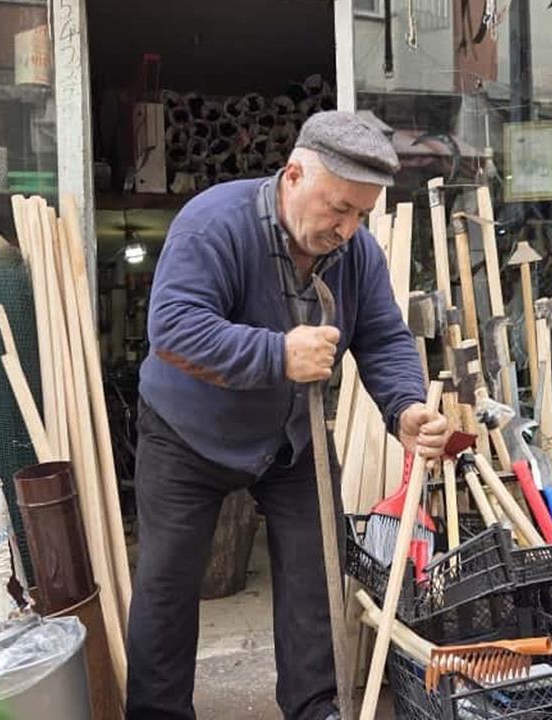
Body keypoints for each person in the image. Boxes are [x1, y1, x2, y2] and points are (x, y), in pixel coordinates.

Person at [127, 111, 449, 719]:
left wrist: (405, 407)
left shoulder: (355, 253)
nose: (348, 229)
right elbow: (173, 328)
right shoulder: (214, 224)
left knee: (316, 572)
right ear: (294, 175)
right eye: (339, 208)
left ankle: (314, 708)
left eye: (361, 214)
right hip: (186, 433)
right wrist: (277, 353)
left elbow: (383, 337)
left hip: (290, 441)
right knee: (167, 585)